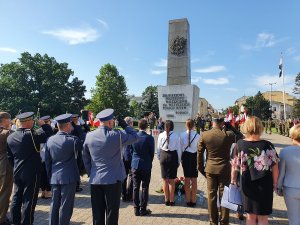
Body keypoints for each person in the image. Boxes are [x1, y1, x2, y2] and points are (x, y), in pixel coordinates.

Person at [82, 108, 139, 225]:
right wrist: (125, 126)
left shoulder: (89, 135)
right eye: (112, 120)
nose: (113, 122)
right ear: (109, 122)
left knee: (97, 213)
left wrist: (90, 173)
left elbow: (85, 157)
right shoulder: (117, 135)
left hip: (95, 179)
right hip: (113, 180)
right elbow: (135, 136)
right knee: (112, 212)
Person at [231, 116, 279, 225]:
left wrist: (233, 180)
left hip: (247, 184)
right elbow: (275, 166)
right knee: (263, 218)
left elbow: (235, 166)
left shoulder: (240, 144)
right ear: (260, 127)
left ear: (246, 127)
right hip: (265, 185)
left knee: (250, 217)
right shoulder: (268, 145)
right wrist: (275, 183)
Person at [7, 112, 53, 225]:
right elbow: (49, 133)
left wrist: (16, 167)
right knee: (29, 200)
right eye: (32, 120)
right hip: (31, 172)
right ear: (28, 122)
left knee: (16, 198)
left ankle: (15, 222)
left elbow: (10, 157)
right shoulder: (31, 135)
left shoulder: (11, 136)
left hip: (17, 170)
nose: (33, 122)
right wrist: (43, 124)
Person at [45, 114, 82, 225]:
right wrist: (78, 126)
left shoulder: (50, 140)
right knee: (66, 205)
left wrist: (50, 176)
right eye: (70, 124)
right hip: (69, 177)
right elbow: (83, 141)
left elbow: (47, 161)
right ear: (67, 125)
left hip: (54, 176)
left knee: (54, 204)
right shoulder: (73, 140)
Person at [197, 117, 235, 225]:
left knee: (211, 196)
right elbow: (241, 137)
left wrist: (201, 168)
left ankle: (213, 221)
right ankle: (224, 221)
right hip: (224, 169)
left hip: (210, 168)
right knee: (224, 196)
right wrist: (230, 127)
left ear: (212, 122)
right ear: (222, 123)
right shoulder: (229, 135)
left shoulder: (205, 135)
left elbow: (199, 152)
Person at [277, 124, 300, 225]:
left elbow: (281, 173)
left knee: (294, 220)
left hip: (290, 189)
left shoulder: (285, 152)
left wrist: (278, 187)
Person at [131, 119, 155, 216]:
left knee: (135, 187)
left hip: (135, 164)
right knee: (145, 187)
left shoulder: (134, 137)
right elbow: (152, 153)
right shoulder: (149, 138)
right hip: (146, 164)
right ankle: (143, 208)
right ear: (147, 127)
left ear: (139, 126)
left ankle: (136, 209)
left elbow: (131, 149)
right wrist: (149, 161)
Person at [157, 120, 181, 206]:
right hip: (172, 156)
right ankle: (171, 200)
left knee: (164, 180)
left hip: (163, 155)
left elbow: (158, 149)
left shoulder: (160, 135)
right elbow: (178, 150)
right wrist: (179, 161)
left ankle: (166, 200)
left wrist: (159, 158)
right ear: (172, 126)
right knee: (171, 180)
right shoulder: (176, 136)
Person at [180, 119, 199, 207]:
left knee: (187, 178)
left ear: (185, 125)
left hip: (186, 157)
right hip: (194, 157)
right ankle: (194, 200)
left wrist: (180, 160)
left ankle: (188, 200)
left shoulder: (182, 135)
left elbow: (180, 149)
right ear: (194, 125)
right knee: (194, 179)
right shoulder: (198, 135)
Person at [0, 112, 13, 225]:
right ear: (4, 120)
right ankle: (2, 218)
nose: (11, 121)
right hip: (5, 166)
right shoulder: (7, 133)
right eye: (9, 119)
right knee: (5, 193)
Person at [71, 114, 89, 192]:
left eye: (77, 118)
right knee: (76, 166)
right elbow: (80, 133)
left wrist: (84, 124)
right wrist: (78, 125)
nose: (76, 120)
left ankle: (77, 184)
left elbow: (87, 129)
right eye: (74, 119)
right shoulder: (71, 125)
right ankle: (76, 186)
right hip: (74, 148)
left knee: (78, 166)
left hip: (79, 148)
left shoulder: (79, 124)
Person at [39, 115, 52, 199]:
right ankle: (47, 191)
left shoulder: (38, 131)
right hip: (46, 154)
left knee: (42, 174)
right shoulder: (49, 130)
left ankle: (43, 191)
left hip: (40, 155)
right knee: (47, 174)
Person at [121, 117, 134, 202]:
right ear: (130, 123)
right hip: (131, 156)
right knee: (132, 176)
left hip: (123, 156)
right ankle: (129, 195)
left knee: (123, 176)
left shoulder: (121, 132)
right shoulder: (132, 132)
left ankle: (123, 195)